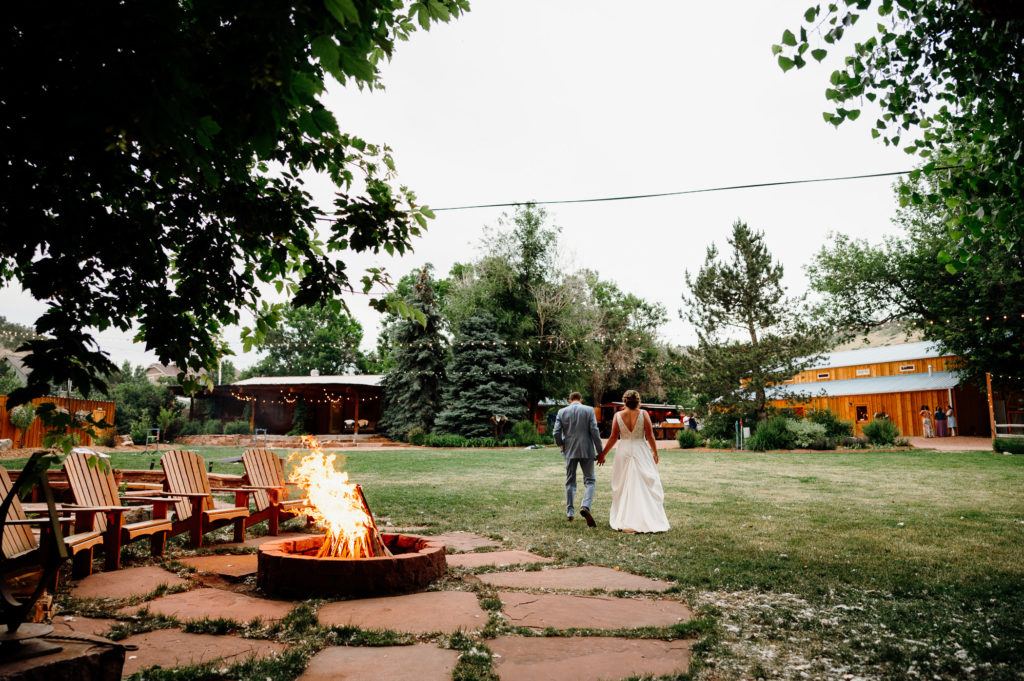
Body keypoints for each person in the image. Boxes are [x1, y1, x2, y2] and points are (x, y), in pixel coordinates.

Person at [598, 390, 669, 534]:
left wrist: (603, 454)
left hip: (623, 450)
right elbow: (650, 435)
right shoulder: (643, 414)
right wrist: (655, 452)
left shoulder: (618, 415)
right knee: (644, 482)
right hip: (640, 450)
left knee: (625, 484)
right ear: (638, 401)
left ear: (624, 401)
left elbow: (613, 438)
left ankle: (626, 518)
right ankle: (645, 518)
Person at [552, 391, 603, 527]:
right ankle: (585, 506)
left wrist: (561, 445)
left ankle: (570, 512)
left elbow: (556, 432)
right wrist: (600, 451)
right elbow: (594, 430)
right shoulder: (588, 410)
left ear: (570, 400)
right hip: (586, 449)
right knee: (590, 480)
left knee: (570, 481)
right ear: (580, 399)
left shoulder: (562, 412)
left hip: (569, 450)